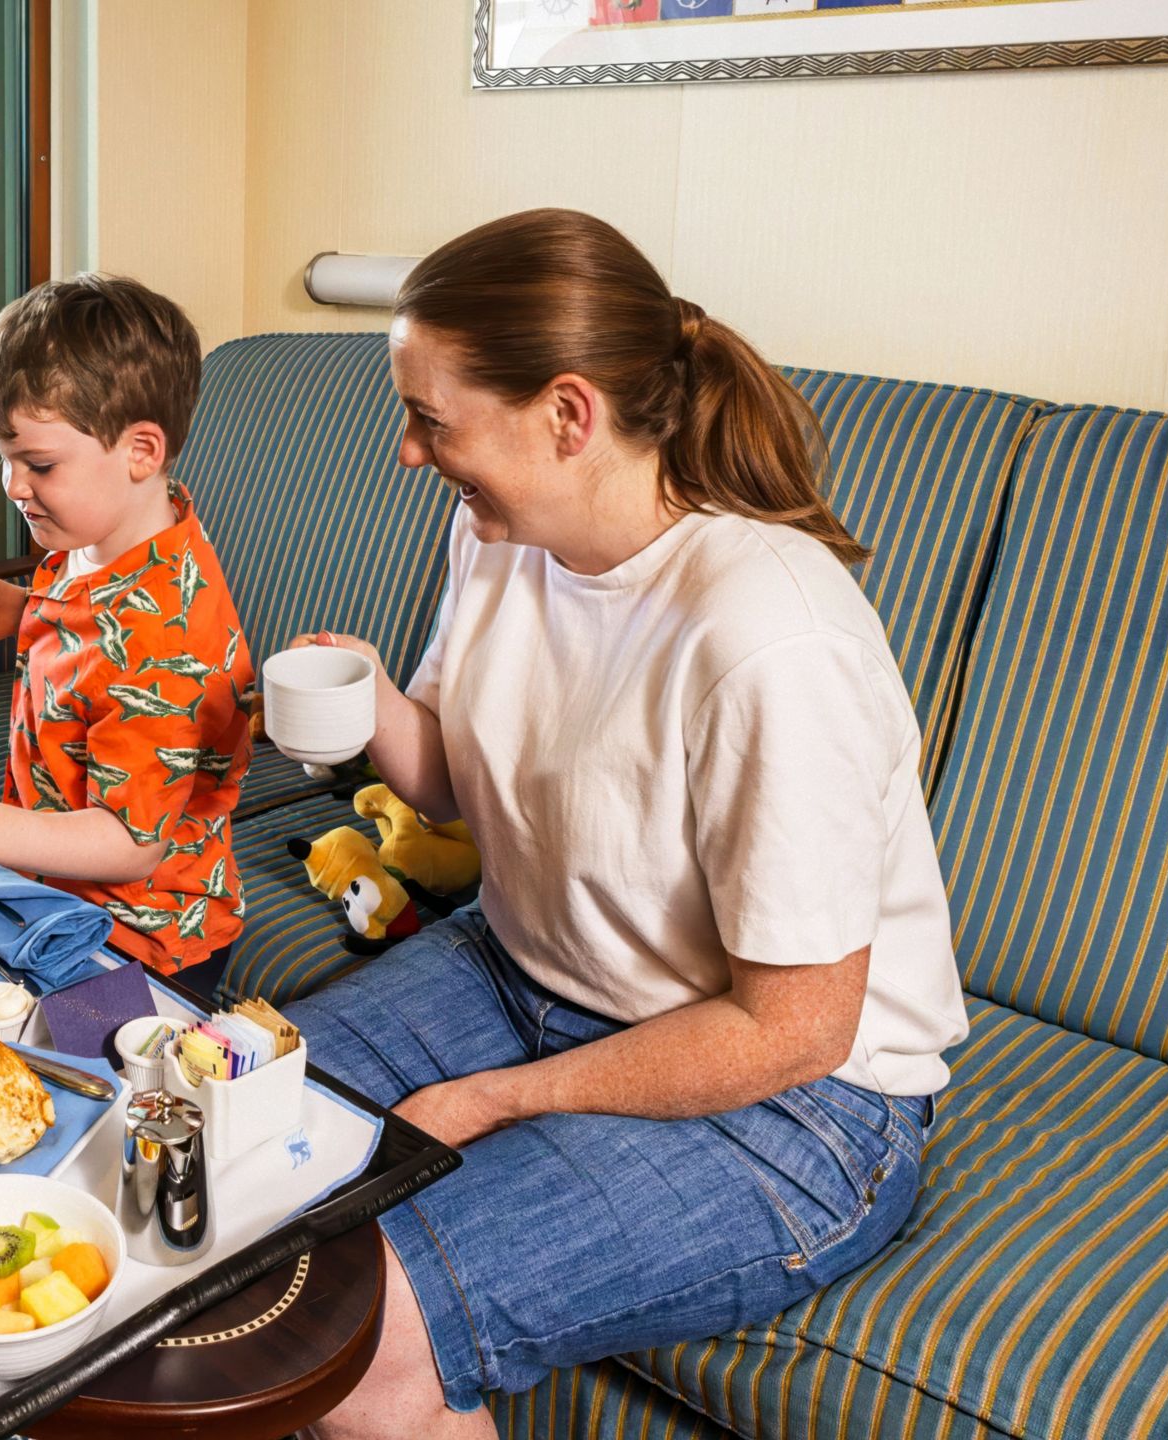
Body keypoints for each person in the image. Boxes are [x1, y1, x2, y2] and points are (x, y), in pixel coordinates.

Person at [286, 209, 971, 1438]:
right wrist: (372, 699)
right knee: (214, 1135)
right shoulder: (503, 532)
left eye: (432, 420)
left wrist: (501, 1099)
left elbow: (792, 1031)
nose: (406, 451)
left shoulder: (768, 642)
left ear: (565, 414)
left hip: (793, 1108)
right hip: (522, 972)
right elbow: (449, 778)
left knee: (357, 1328)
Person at [0, 275, 256, 980]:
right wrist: (21, 611)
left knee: (76, 1082)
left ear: (142, 451)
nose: (13, 486)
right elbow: (94, 637)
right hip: (55, 896)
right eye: (3, 458)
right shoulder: (100, 539)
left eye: (37, 463)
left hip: (136, 942)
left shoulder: (162, 637)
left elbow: (131, 843)